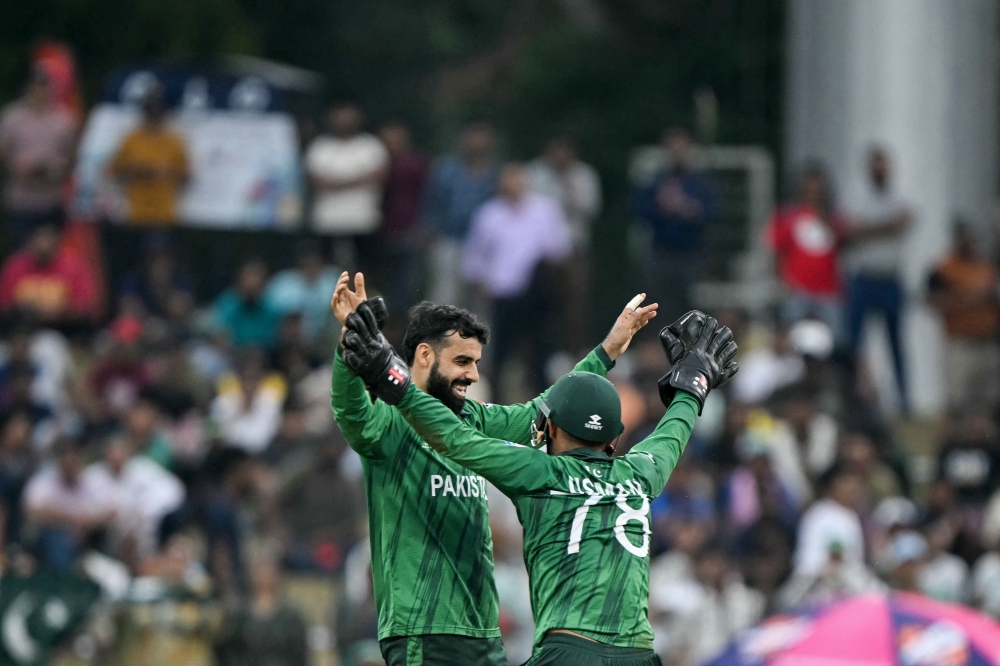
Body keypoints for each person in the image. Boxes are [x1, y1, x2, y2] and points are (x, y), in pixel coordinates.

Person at [339, 306, 736, 666]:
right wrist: (692, 385)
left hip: (563, 649)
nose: (473, 374)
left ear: (549, 429)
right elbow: (673, 431)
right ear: (615, 439)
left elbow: (455, 439)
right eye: (464, 361)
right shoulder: (641, 472)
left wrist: (394, 380)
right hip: (639, 653)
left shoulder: (535, 471)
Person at [462, 163, 572, 400]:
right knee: (501, 352)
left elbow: (558, 253)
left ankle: (543, 399)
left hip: (537, 296)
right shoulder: (489, 215)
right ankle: (497, 400)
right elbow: (475, 260)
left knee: (541, 351)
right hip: (504, 295)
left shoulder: (544, 211)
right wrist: (484, 289)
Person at [842, 148, 912, 410]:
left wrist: (869, 228)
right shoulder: (857, 196)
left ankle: (904, 401)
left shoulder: (900, 194)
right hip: (864, 278)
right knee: (855, 343)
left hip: (890, 279)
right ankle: (854, 398)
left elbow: (905, 222)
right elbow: (849, 231)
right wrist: (886, 227)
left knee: (896, 343)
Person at [633, 127, 718, 319]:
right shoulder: (655, 182)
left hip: (692, 255)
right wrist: (661, 205)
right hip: (661, 254)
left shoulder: (701, 183)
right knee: (656, 306)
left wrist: (691, 210)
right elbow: (639, 212)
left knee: (692, 308)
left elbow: (713, 215)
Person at [528, 136, 602, 353]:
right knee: (538, 310)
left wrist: (567, 188)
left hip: (574, 252)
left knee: (576, 309)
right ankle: (538, 357)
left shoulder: (585, 176)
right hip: (540, 256)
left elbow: (591, 209)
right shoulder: (534, 174)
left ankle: (574, 354)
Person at [305, 101, 389, 272]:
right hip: (328, 221)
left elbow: (379, 176)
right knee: (329, 271)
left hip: (364, 221)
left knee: (365, 270)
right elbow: (315, 181)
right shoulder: (320, 147)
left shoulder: (371, 146)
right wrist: (358, 179)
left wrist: (335, 182)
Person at [422, 121, 500, 306]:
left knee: (482, 303)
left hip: (486, 248)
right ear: (462, 141)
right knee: (445, 300)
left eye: (482, 139)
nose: (477, 143)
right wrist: (430, 237)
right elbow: (432, 204)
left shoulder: (497, 174)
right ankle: (441, 336)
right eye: (472, 138)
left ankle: (481, 336)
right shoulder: (446, 170)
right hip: (450, 240)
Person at [928, 222, 1000, 412]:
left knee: (989, 402)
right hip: (960, 345)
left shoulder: (986, 268)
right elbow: (931, 300)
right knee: (958, 402)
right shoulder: (945, 268)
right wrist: (971, 298)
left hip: (987, 343)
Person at [0, 67, 76, 245]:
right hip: (20, 201)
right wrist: (15, 167)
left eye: (43, 87)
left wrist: (58, 169)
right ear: (27, 89)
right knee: (22, 252)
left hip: (52, 200)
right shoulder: (12, 118)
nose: (39, 92)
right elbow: (3, 152)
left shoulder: (64, 120)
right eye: (35, 87)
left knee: (51, 251)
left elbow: (72, 156)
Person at [767, 164, 846, 333]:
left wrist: (825, 219)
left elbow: (844, 241)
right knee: (793, 339)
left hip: (828, 292)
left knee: (833, 342)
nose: (814, 195)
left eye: (818, 191)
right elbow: (775, 251)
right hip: (797, 291)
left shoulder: (833, 217)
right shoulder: (788, 216)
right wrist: (782, 283)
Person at [107, 82, 190, 225]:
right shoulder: (132, 139)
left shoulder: (174, 142)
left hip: (163, 212)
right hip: (134, 211)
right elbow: (114, 170)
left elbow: (186, 175)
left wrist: (164, 171)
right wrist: (135, 169)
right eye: (149, 109)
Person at [214, 557, 309, 666]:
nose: (263, 576)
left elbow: (299, 654)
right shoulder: (238, 614)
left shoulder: (291, 616)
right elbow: (227, 651)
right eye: (258, 571)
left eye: (267, 571)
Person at [0, 223, 98, 325]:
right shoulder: (15, 266)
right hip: (21, 329)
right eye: (40, 238)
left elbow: (85, 306)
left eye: (48, 238)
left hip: (63, 329)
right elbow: (4, 305)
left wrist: (59, 313)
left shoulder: (74, 266)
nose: (43, 244)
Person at [379, 121, 430, 315]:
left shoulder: (417, 165)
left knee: (406, 288)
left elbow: (427, 197)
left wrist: (424, 227)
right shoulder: (378, 165)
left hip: (410, 233)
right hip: (380, 234)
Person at [264, 241, 340, 344]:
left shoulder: (333, 280)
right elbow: (270, 316)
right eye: (307, 263)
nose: (311, 267)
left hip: (325, 340)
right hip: (288, 342)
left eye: (315, 262)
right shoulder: (283, 283)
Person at [212, 259, 283, 350]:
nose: (253, 282)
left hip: (265, 355)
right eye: (249, 276)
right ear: (240, 280)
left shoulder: (272, 307)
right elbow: (220, 333)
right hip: (233, 354)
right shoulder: (227, 304)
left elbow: (274, 338)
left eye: (257, 277)